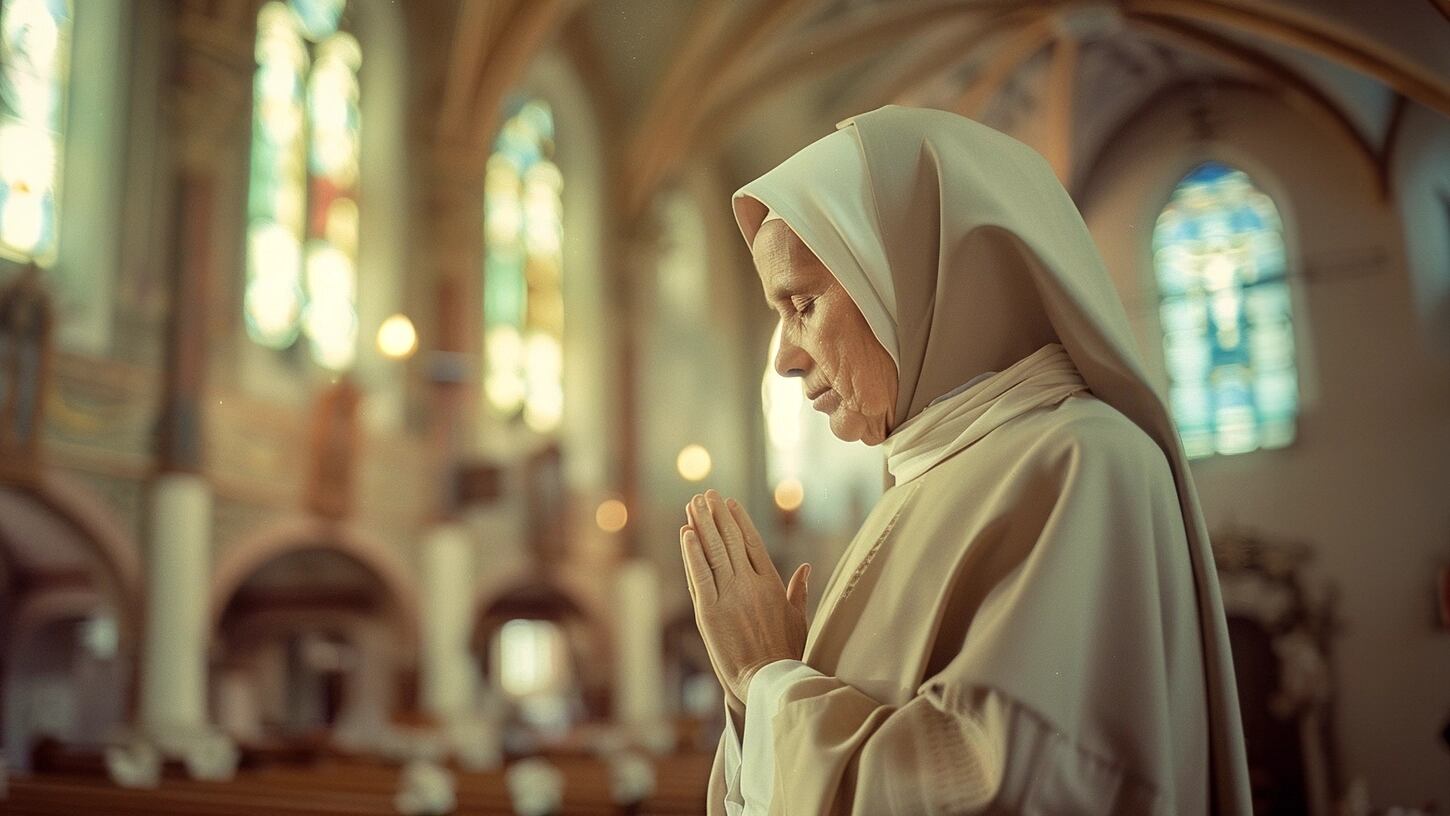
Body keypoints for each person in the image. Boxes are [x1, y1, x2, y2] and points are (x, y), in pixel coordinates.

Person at [678, 105, 1252, 815]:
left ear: (915, 278)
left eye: (802, 304)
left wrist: (768, 679)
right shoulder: (921, 482)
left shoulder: (1081, 462)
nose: (786, 358)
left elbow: (1009, 788)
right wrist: (765, 689)